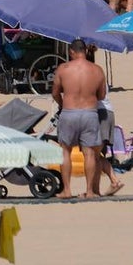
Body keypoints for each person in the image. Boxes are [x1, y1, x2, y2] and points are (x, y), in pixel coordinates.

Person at [52, 39, 107, 198]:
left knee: (65, 151)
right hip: (90, 113)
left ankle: (67, 190)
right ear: (85, 51)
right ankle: (90, 191)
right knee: (89, 153)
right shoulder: (97, 70)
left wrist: (62, 103)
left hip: (69, 112)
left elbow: (55, 93)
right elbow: (101, 96)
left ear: (71, 52)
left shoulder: (63, 69)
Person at [85, 45, 124, 196]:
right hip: (106, 113)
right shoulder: (97, 71)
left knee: (92, 154)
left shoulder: (91, 75)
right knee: (96, 155)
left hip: (101, 114)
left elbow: (95, 96)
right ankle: (95, 190)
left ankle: (114, 180)